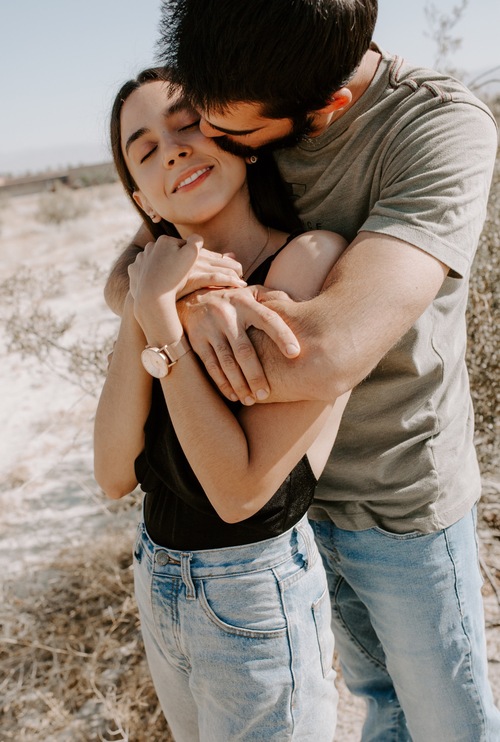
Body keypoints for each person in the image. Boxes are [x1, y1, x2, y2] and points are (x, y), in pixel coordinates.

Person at [104, 2, 500, 740]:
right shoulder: (245, 91)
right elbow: (140, 258)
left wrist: (177, 311)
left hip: (398, 495)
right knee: (378, 703)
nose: (207, 144)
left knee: (450, 720)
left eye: (230, 134)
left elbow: (320, 355)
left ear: (325, 109)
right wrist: (177, 296)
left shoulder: (437, 129)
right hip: (295, 507)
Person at [94, 67, 351, 741]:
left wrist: (159, 314)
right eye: (144, 149)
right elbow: (113, 474)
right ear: (143, 199)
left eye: (186, 123)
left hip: (252, 589)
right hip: (157, 574)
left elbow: (238, 493)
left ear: (239, 137)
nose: (172, 148)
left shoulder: (308, 263)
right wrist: (145, 309)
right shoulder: (150, 293)